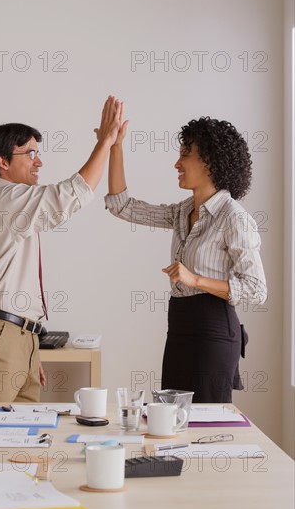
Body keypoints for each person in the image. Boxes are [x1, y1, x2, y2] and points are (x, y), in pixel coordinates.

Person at [0, 95, 121, 403]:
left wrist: (28, 347)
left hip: (20, 336)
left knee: (21, 442)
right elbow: (69, 195)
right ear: (2, 162)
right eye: (30, 153)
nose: (39, 161)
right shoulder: (4, 199)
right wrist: (106, 143)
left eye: (38, 153)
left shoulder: (15, 203)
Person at [105, 114, 267, 403]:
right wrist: (115, 146)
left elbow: (256, 289)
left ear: (210, 161)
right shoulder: (182, 212)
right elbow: (123, 207)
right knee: (171, 422)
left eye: (184, 155)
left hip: (214, 331)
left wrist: (195, 279)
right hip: (179, 328)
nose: (176, 164)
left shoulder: (234, 218)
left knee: (204, 424)